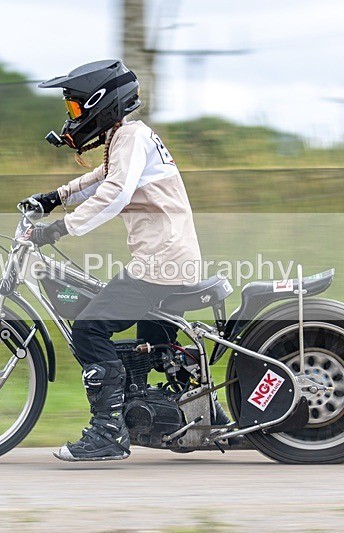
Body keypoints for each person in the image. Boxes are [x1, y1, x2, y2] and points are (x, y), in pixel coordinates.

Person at [22, 59, 233, 462]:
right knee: (151, 343)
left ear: (100, 102)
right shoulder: (128, 137)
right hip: (166, 259)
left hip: (161, 263)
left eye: (74, 108)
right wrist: (55, 198)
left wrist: (58, 229)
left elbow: (114, 193)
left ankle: (107, 434)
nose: (72, 118)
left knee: (88, 328)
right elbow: (102, 179)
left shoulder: (132, 136)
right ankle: (205, 417)